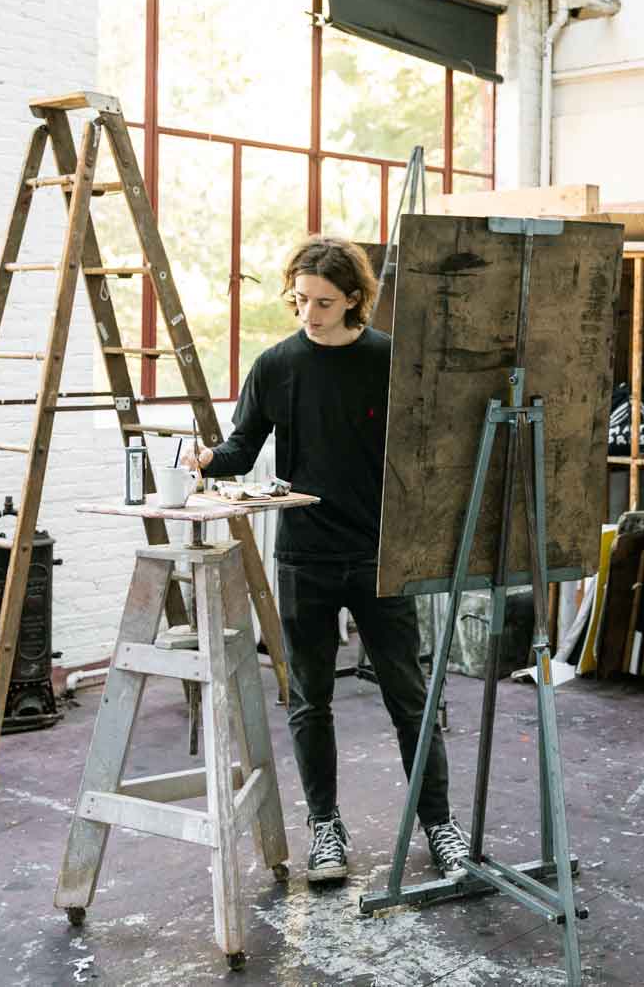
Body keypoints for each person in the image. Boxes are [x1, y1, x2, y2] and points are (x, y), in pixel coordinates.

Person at [185, 235, 468, 885]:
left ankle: (439, 822)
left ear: (354, 300)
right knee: (310, 700)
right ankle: (325, 829)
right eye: (299, 300)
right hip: (304, 557)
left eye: (322, 302)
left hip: (378, 555)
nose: (308, 313)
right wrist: (203, 460)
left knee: (409, 697)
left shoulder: (389, 361)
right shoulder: (276, 365)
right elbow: (239, 450)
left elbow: (428, 444)